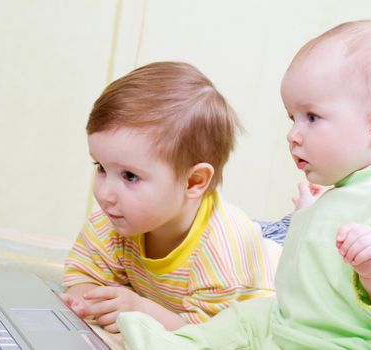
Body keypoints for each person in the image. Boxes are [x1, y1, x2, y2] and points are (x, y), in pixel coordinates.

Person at [117, 20, 371, 349]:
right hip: (295, 325)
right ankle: (177, 343)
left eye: (311, 117)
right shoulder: (342, 194)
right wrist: (310, 215)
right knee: (244, 317)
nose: (293, 134)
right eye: (292, 118)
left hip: (348, 342)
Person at [60, 61, 276, 333]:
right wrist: (89, 302)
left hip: (266, 290)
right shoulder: (114, 222)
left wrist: (141, 310)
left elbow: (215, 338)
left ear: (193, 181)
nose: (104, 194)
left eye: (129, 176)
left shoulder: (224, 253)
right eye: (101, 168)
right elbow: (83, 273)